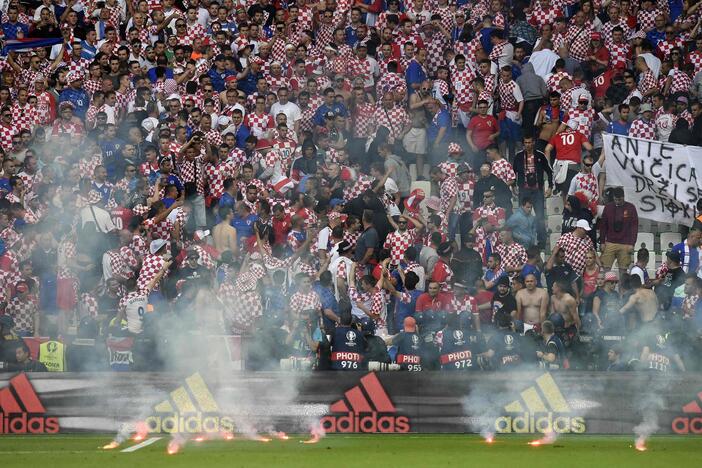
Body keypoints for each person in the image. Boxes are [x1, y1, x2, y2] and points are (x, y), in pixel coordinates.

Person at [599, 187, 638, 272]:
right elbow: (603, 226)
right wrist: (602, 242)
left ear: (623, 197)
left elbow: (634, 227)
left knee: (623, 270)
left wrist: (632, 243)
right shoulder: (608, 207)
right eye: (616, 199)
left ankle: (623, 285)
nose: (618, 202)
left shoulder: (631, 208)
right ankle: (606, 285)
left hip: (625, 243)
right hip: (610, 242)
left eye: (619, 200)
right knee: (605, 268)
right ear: (613, 198)